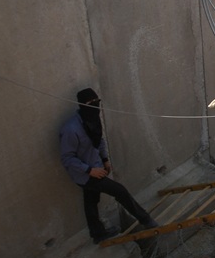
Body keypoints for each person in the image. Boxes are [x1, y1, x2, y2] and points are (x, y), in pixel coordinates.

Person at [60, 88, 158, 244]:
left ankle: (98, 234)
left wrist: (104, 159)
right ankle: (145, 219)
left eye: (97, 102)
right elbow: (67, 158)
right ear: (81, 105)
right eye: (90, 104)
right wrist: (89, 170)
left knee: (91, 202)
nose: (95, 106)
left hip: (96, 166)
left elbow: (99, 140)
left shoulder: (92, 119)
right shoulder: (71, 130)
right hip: (85, 174)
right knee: (120, 191)